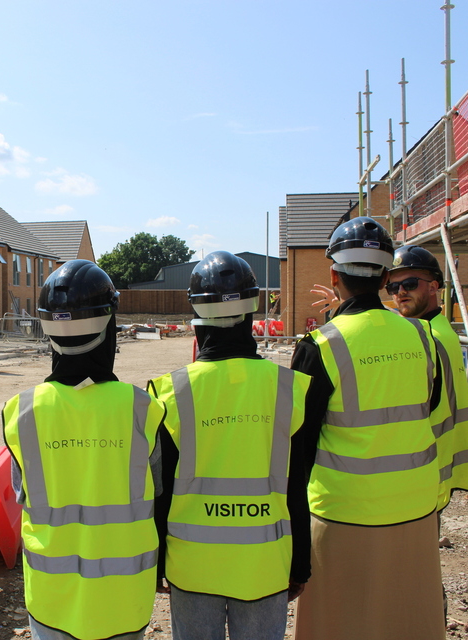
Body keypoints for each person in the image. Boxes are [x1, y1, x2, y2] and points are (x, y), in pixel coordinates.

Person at [289, 216, 444, 640]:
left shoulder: (320, 346)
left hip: (342, 516)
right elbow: (426, 404)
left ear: (334, 275)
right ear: (384, 276)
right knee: (407, 621)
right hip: (414, 508)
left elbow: (297, 450)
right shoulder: (422, 336)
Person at [147, 251, 311, 640]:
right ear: (252, 314)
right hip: (265, 565)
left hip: (193, 566)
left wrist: (157, 564)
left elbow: (159, 492)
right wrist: (300, 563)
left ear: (197, 321)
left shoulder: (170, 392)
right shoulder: (288, 389)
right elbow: (298, 487)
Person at [2, 259, 168, 640]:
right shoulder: (143, 410)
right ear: (108, 324)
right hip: (123, 601)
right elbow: (157, 495)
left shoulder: (21, 412)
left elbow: (23, 494)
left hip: (51, 600)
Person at [387, 245, 468, 511]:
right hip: (435, 470)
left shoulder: (429, 339)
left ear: (433, 287)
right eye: (392, 288)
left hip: (423, 473)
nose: (400, 293)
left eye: (409, 283)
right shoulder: (439, 329)